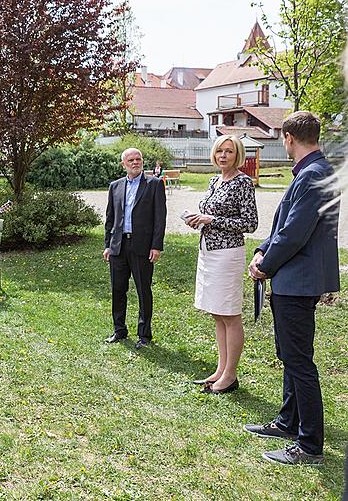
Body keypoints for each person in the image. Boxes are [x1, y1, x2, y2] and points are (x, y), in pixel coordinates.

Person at [244, 111, 339, 466]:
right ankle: (287, 422)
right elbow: (285, 226)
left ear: (288, 138)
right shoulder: (314, 171)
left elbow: (295, 233)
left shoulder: (314, 175)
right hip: (292, 278)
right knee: (291, 355)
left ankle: (309, 444)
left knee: (299, 362)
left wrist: (264, 265)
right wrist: (262, 248)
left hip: (297, 281)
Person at [184, 135, 257, 394]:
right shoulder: (215, 180)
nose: (223, 156)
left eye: (229, 151)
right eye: (219, 151)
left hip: (228, 254)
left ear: (237, 155)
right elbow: (211, 215)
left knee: (230, 313)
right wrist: (199, 220)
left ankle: (230, 376)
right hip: (208, 252)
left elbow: (250, 223)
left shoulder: (243, 183)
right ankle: (221, 368)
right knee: (217, 313)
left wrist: (212, 220)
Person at [103, 147, 166, 349]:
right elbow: (110, 219)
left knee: (143, 291)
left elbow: (160, 218)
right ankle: (119, 330)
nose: (135, 162)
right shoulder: (115, 186)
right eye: (131, 160)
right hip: (118, 247)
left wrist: (156, 246)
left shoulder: (154, 184)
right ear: (124, 164)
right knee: (118, 289)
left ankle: (144, 335)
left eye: (138, 159)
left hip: (142, 247)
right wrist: (108, 245)